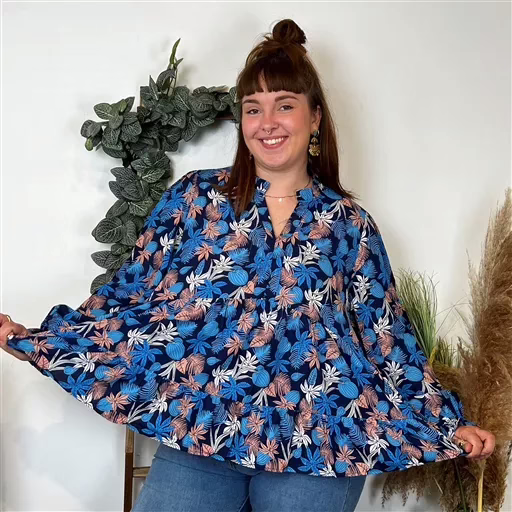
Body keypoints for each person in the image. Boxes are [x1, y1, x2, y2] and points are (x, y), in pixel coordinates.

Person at [1, 18, 495, 512]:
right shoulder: (195, 199)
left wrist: (448, 423)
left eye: (285, 105)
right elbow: (133, 292)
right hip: (204, 428)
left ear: (315, 117)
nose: (267, 122)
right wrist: (44, 344)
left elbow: (385, 335)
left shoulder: (350, 225)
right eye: (253, 109)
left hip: (322, 439)